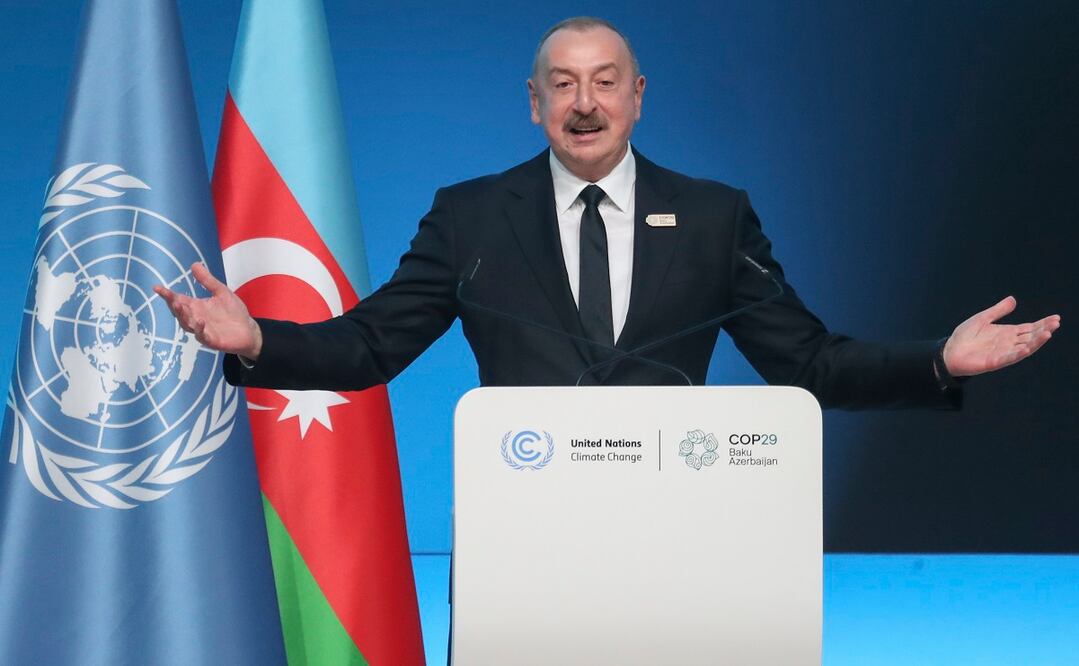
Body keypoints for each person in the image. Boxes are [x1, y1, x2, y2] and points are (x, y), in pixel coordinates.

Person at [155, 17, 1059, 408]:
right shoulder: (469, 217)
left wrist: (937, 359)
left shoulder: (713, 218)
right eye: (562, 85)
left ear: (637, 98)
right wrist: (259, 340)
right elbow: (368, 349)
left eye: (603, 83)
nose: (583, 104)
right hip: (526, 517)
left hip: (674, 521)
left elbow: (809, 361)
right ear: (534, 103)